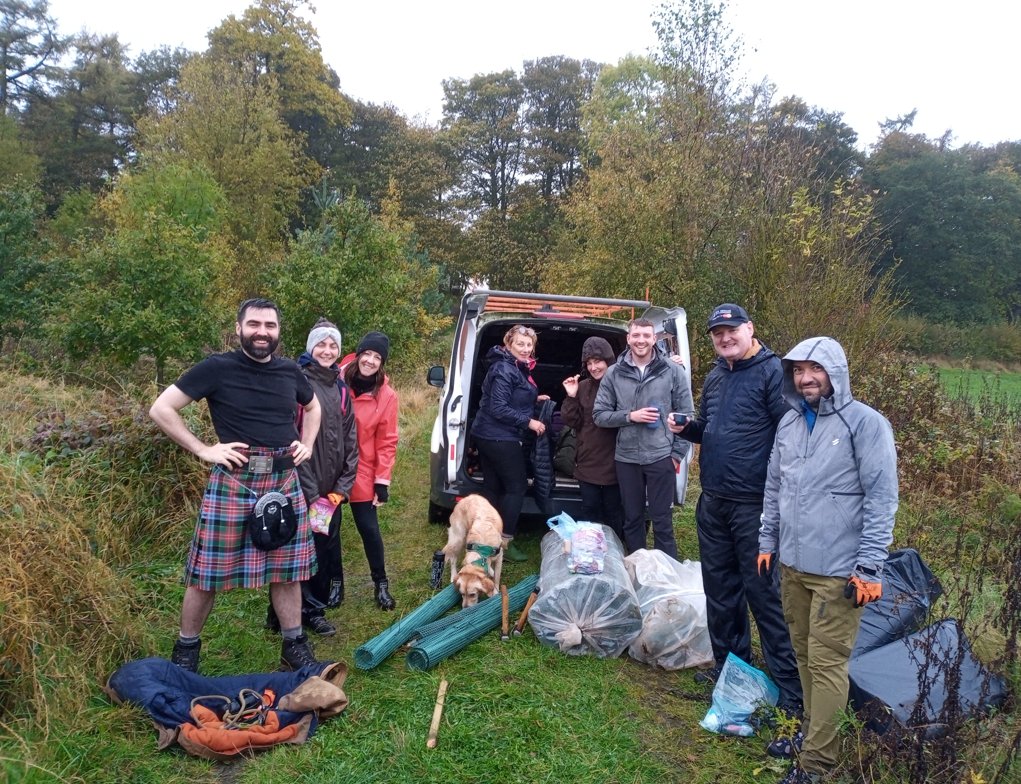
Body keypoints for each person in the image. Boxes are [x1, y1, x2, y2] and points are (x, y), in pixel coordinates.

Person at [149, 298, 322, 673]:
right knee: (206, 573)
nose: (262, 332)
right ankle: (186, 652)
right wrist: (203, 449)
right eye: (255, 324)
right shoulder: (217, 367)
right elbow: (162, 408)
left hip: (282, 477)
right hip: (235, 480)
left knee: (287, 570)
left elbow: (313, 407)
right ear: (239, 327)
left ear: (279, 331)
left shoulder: (290, 371)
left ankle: (294, 645)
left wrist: (306, 444)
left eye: (270, 326)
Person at [758, 336, 898, 784]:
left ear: (834, 372)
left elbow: (882, 498)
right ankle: (813, 736)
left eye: (814, 369)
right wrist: (767, 540)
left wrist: (870, 566)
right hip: (793, 565)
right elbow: (775, 488)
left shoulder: (866, 424)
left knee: (827, 662)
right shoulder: (790, 423)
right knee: (802, 654)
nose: (805, 378)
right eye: (798, 370)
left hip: (840, 572)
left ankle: (818, 765)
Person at [669, 303, 803, 744]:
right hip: (714, 503)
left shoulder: (772, 372)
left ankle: (791, 695)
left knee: (763, 597)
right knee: (721, 593)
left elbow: (791, 434)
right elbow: (710, 428)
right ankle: (732, 674)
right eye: (717, 333)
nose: (724, 338)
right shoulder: (717, 375)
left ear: (750, 329)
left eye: (731, 331)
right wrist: (687, 428)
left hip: (755, 507)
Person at [266, 318, 358, 637]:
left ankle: (311, 608)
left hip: (331, 491)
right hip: (299, 486)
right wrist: (310, 492)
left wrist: (341, 489)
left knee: (321, 546)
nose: (327, 350)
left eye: (333, 345)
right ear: (310, 347)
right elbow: (291, 439)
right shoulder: (296, 383)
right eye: (321, 344)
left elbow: (350, 440)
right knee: (291, 547)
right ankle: (284, 612)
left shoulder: (341, 388)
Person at [592, 318, 694, 559]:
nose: (641, 340)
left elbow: (686, 417)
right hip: (627, 458)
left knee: (662, 521)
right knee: (633, 519)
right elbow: (599, 415)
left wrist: (676, 455)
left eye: (646, 336)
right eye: (636, 335)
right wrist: (631, 416)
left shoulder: (672, 371)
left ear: (654, 339)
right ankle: (637, 570)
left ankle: (666, 575)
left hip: (661, 456)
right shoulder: (614, 374)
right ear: (628, 338)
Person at [470, 325, 548, 563]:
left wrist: (535, 398)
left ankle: (483, 540)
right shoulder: (504, 368)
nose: (525, 349)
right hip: (499, 437)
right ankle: (505, 541)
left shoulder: (514, 366)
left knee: (493, 486)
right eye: (520, 344)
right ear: (508, 345)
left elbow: (514, 395)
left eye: (529, 345)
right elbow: (498, 407)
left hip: (488, 434)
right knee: (516, 487)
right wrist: (529, 422)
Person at [341, 331, 399, 610]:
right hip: (328, 471)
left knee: (369, 530)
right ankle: (333, 585)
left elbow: (387, 441)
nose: (371, 361)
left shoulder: (386, 396)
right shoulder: (334, 380)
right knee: (325, 531)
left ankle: (381, 584)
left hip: (362, 471)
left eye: (378, 357)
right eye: (368, 354)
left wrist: (381, 481)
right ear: (359, 353)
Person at [561, 336, 623, 542]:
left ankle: (615, 551)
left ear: (608, 360)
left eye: (598, 361)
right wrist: (571, 396)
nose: (594, 367)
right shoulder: (584, 387)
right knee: (589, 509)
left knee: (614, 511)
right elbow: (572, 421)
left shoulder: (622, 383)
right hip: (588, 460)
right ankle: (589, 550)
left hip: (616, 460)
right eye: (589, 363)